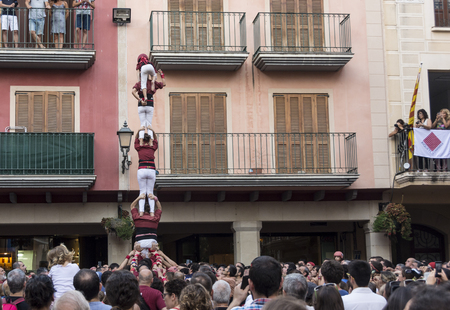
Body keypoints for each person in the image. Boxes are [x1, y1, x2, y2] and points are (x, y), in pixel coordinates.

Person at [132, 69, 166, 144]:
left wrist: (139, 99)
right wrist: (162, 74)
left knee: (142, 124)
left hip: (141, 104)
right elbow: (164, 84)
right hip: (150, 104)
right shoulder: (151, 83)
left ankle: (141, 140)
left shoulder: (139, 84)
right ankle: (151, 141)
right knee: (149, 124)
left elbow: (133, 92)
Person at [134, 127, 158, 216]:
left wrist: (139, 131)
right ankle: (151, 212)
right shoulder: (152, 148)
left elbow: (136, 140)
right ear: (149, 140)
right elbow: (155, 139)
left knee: (142, 192)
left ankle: (141, 211)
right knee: (150, 192)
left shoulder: (139, 147)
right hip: (151, 170)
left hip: (142, 169)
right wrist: (153, 131)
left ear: (142, 140)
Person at [130, 193, 162, 259]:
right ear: (151, 209)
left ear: (141, 209)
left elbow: (132, 206)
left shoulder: (137, 217)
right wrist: (155, 199)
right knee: (153, 260)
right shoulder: (155, 218)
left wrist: (139, 198)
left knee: (140, 261)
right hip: (152, 242)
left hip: (140, 242)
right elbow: (159, 208)